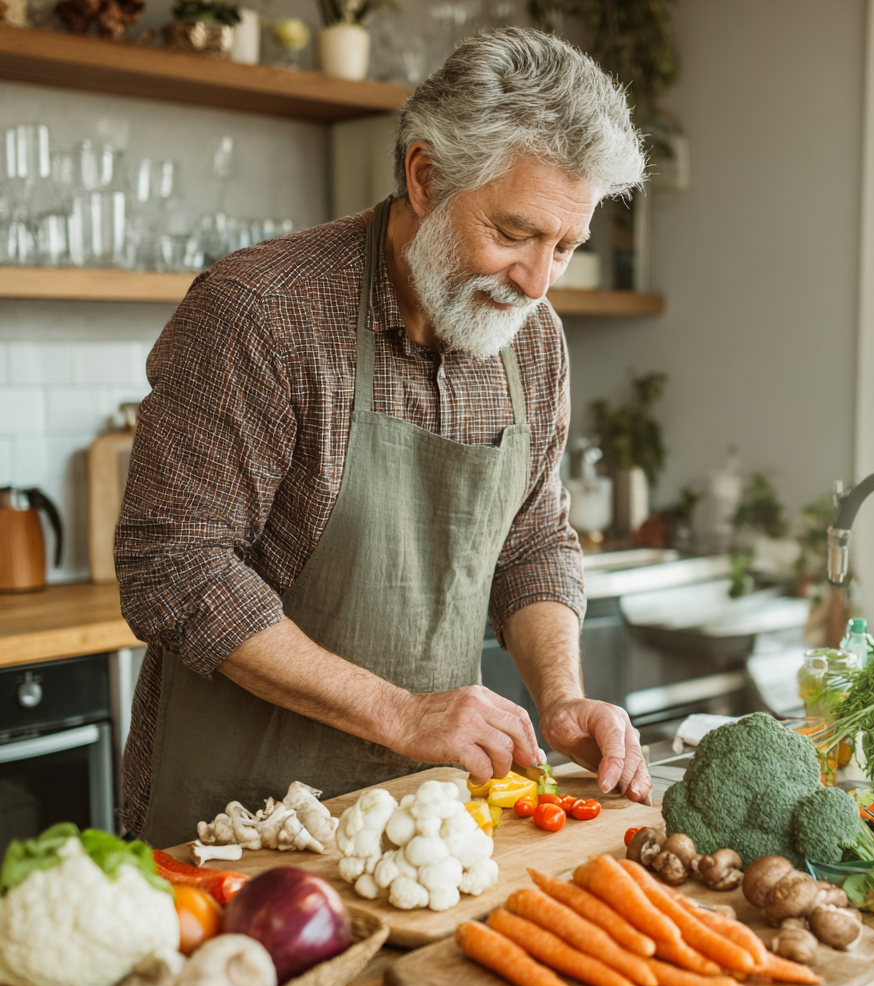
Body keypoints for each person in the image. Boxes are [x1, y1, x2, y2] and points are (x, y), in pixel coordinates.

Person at [116, 26, 652, 847]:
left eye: (565, 247)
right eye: (513, 234)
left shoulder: (532, 338)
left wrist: (563, 696)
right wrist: (400, 713)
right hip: (240, 824)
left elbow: (532, 541)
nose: (538, 282)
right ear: (426, 175)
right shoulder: (262, 313)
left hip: (427, 824)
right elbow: (173, 566)